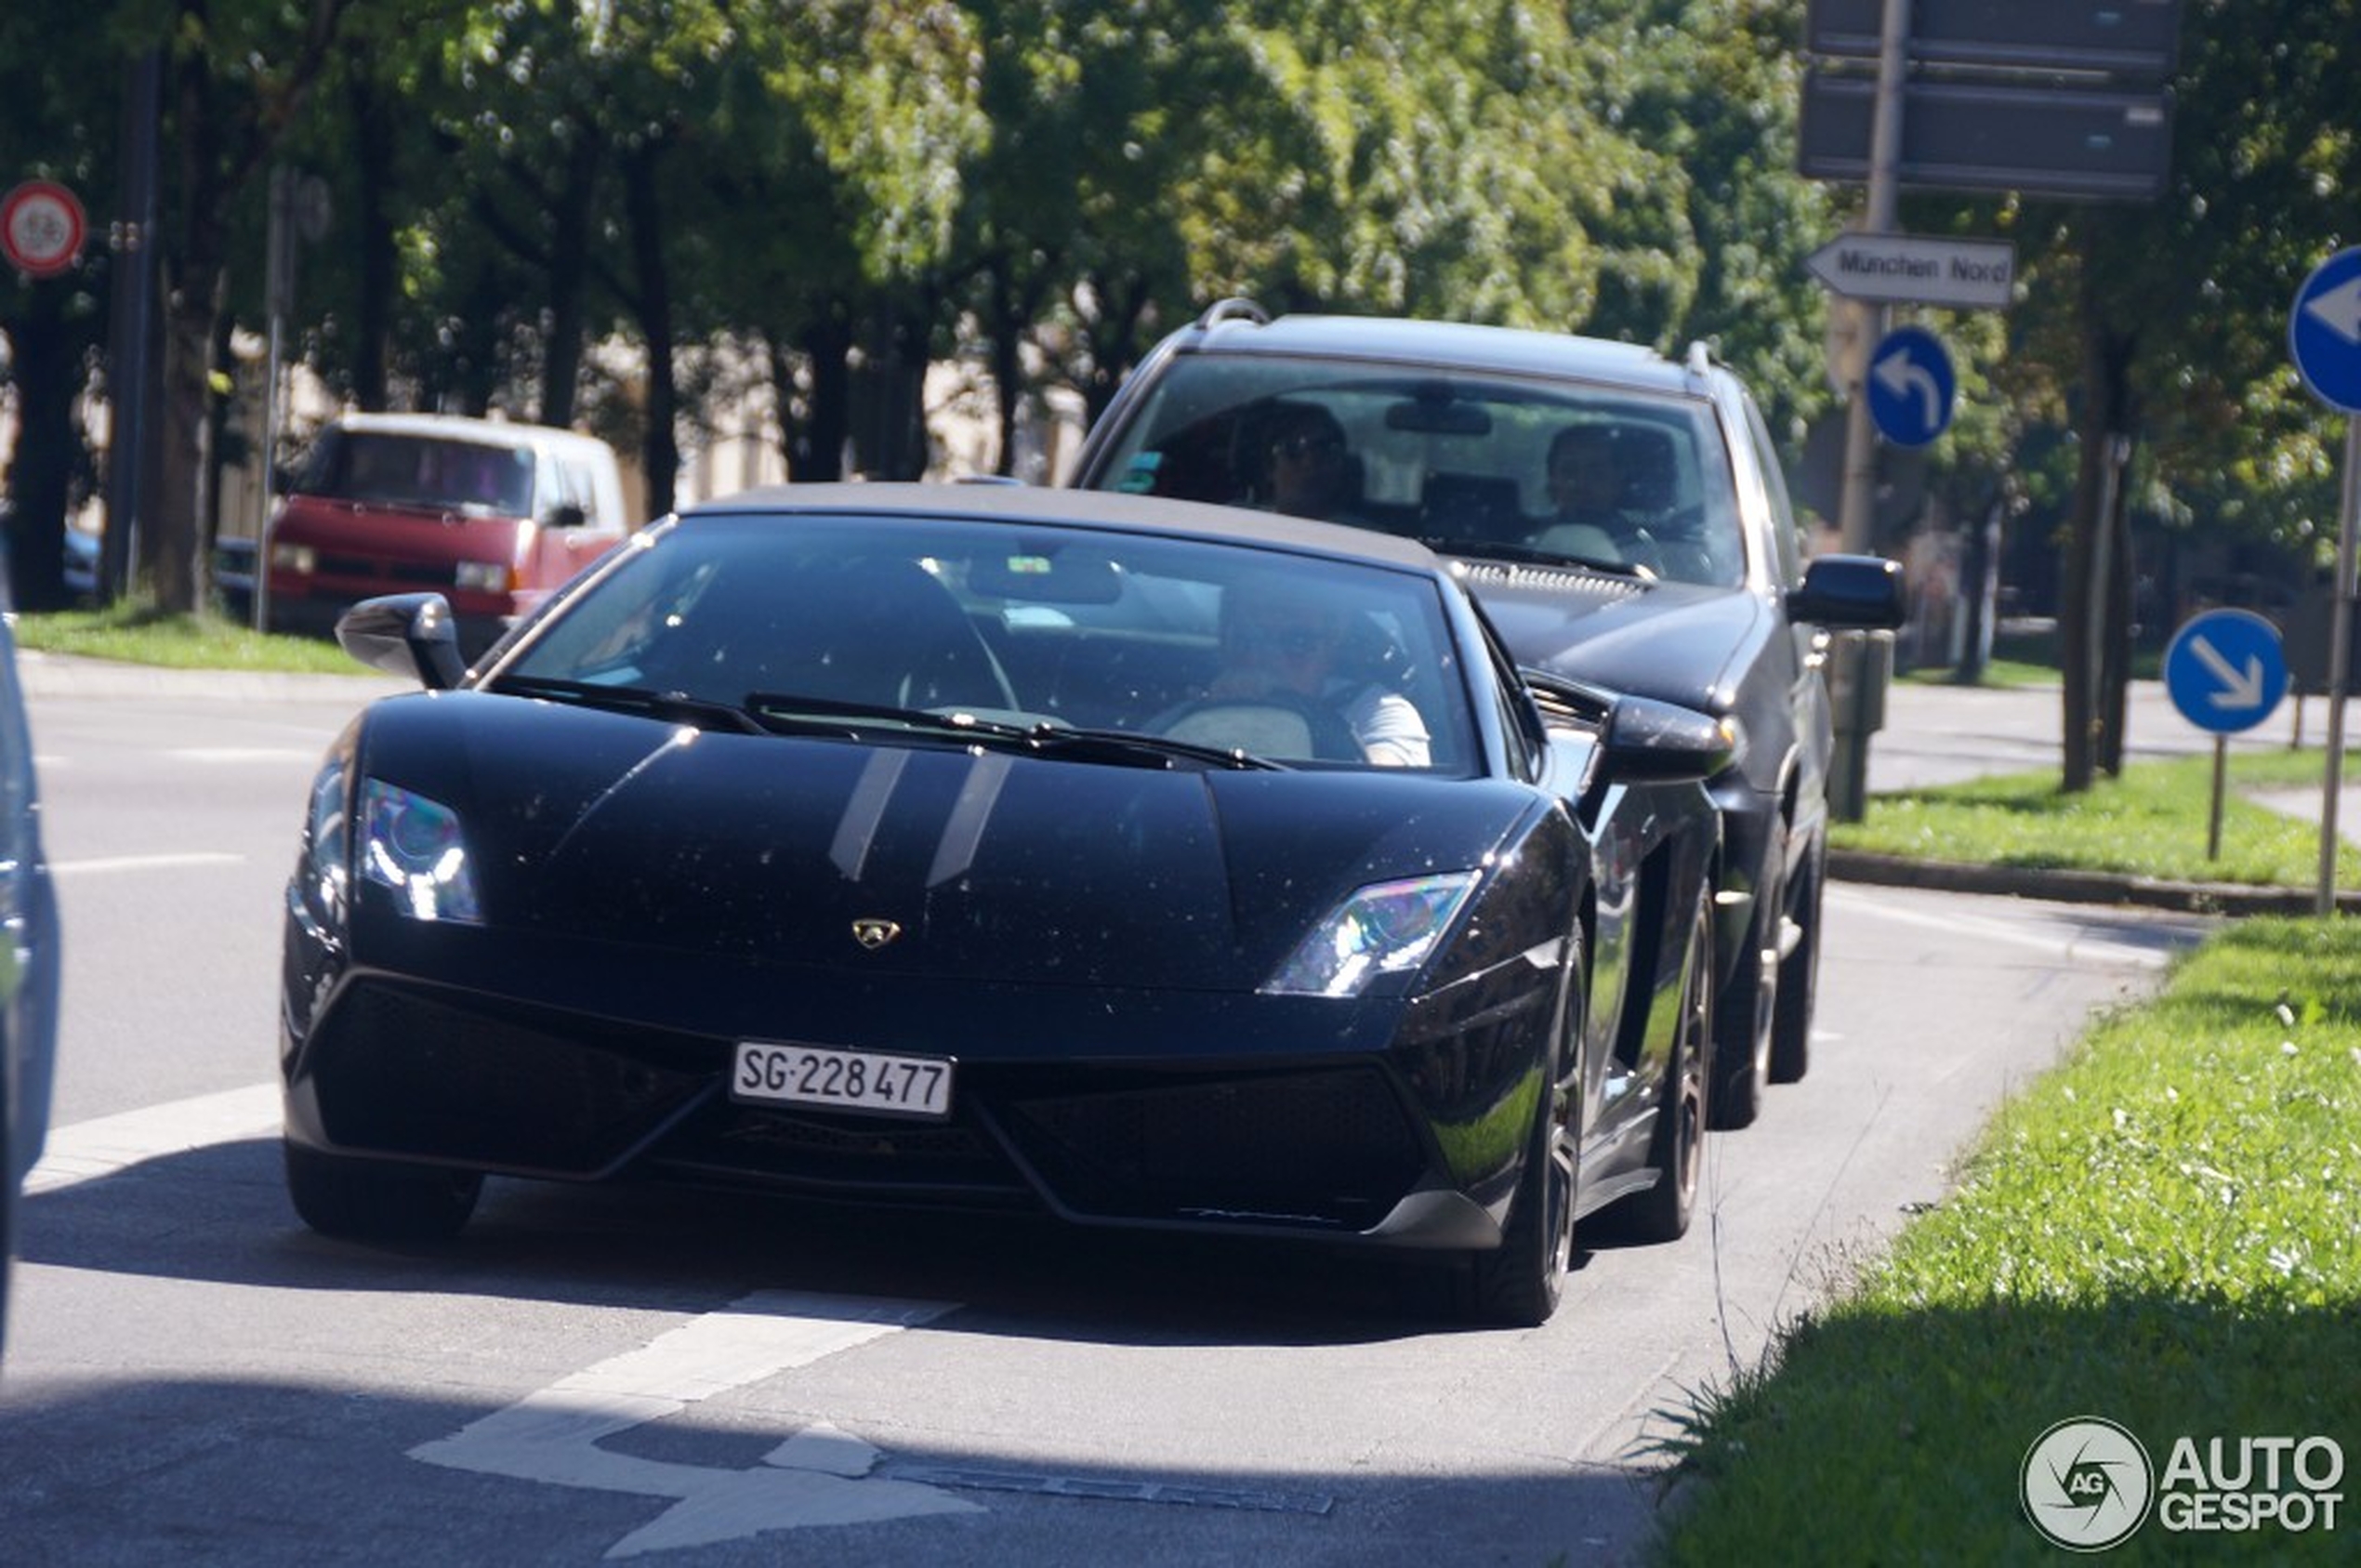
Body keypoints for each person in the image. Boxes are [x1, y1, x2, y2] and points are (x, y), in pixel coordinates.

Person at [1194, 579, 1430, 766]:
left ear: (1332, 643)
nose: (1268, 658)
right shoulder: (1188, 698)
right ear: (1225, 641)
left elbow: (1385, 789)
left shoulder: (1377, 713)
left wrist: (1294, 708)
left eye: (1296, 642)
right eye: (1249, 639)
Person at [1535, 423, 1647, 563]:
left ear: (1617, 480)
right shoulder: (1522, 543)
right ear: (1553, 479)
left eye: (1596, 472)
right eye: (1569, 471)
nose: (1581, 483)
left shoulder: (1639, 547)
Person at [1255, 404, 1361, 522]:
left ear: (1341, 466)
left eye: (1323, 450)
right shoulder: (1240, 524)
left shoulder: (1367, 537)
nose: (1309, 463)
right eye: (1292, 450)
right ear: (1269, 468)